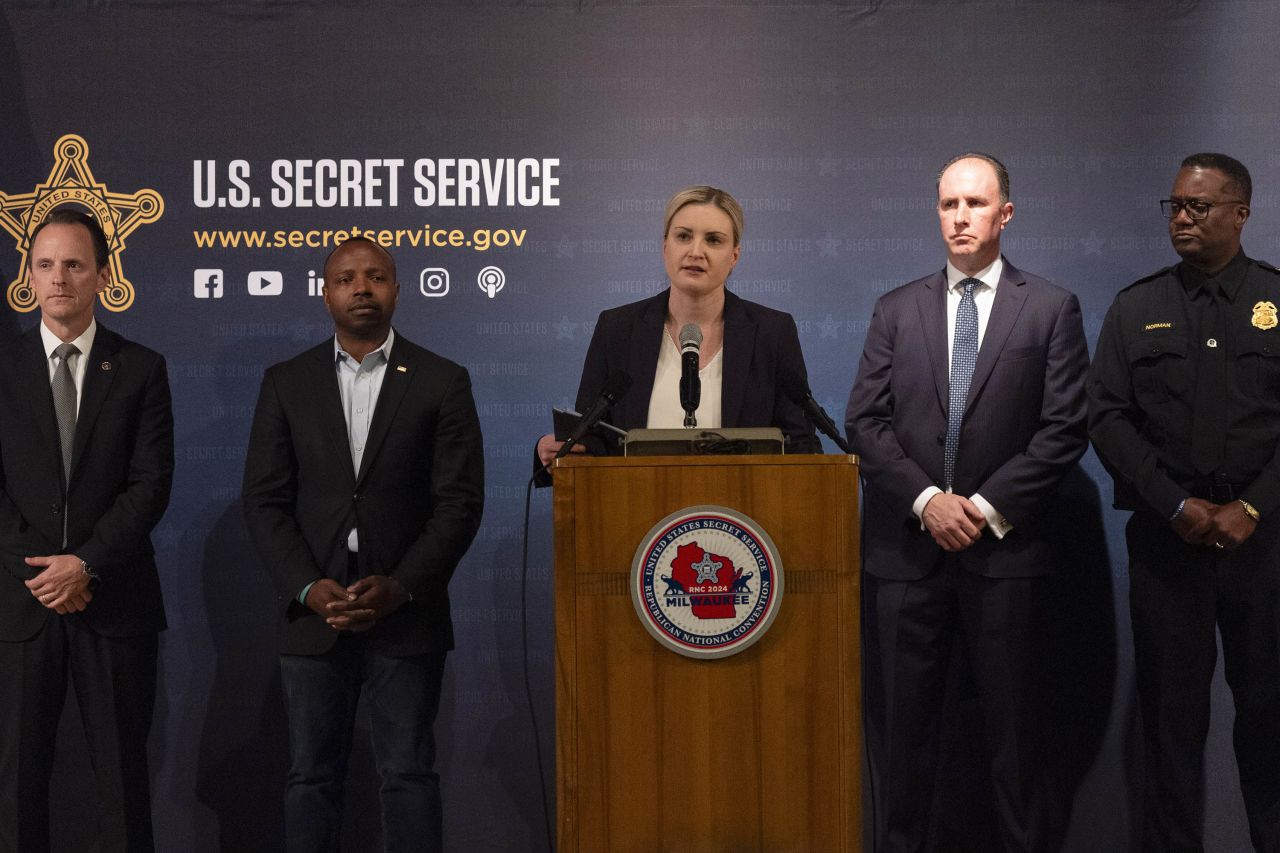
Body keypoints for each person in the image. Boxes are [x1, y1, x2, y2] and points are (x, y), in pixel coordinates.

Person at [845, 153, 1089, 852]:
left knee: (1016, 749)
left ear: (1005, 214)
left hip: (1006, 560)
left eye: (976, 204)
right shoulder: (896, 308)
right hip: (906, 557)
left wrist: (980, 508)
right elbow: (865, 423)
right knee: (903, 748)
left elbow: (1064, 428)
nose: (960, 216)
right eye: (949, 203)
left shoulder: (1049, 307)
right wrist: (927, 500)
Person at [242, 236, 484, 853]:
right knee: (309, 777)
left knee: (406, 774)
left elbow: (459, 504)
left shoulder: (443, 381)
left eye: (375, 277)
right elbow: (265, 502)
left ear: (397, 291)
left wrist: (401, 587)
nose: (362, 288)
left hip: (406, 612)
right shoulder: (286, 382)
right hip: (312, 613)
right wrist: (306, 586)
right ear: (327, 293)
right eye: (346, 278)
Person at [1088, 153, 1280, 852]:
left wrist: (1252, 507)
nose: (1183, 218)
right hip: (1169, 545)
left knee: (1269, 718)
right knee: (1170, 724)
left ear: (1241, 212)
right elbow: (1105, 415)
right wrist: (1174, 504)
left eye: (1199, 206)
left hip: (1265, 546)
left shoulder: (1275, 300)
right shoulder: (1138, 307)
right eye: (1174, 206)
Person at [0, 209, 174, 852]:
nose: (59, 279)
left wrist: (86, 564)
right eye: (44, 265)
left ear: (102, 275)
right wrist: (45, 572)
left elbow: (150, 484)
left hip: (114, 602)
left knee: (124, 788)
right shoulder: (3, 366)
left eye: (74, 264)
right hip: (20, 607)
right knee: (16, 789)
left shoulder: (141, 368)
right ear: (29, 276)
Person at [535, 185, 818, 471]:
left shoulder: (772, 333)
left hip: (741, 512)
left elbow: (800, 444)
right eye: (683, 236)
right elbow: (592, 439)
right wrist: (557, 452)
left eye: (713, 240)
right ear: (665, 246)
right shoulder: (617, 330)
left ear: (734, 256)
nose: (696, 252)